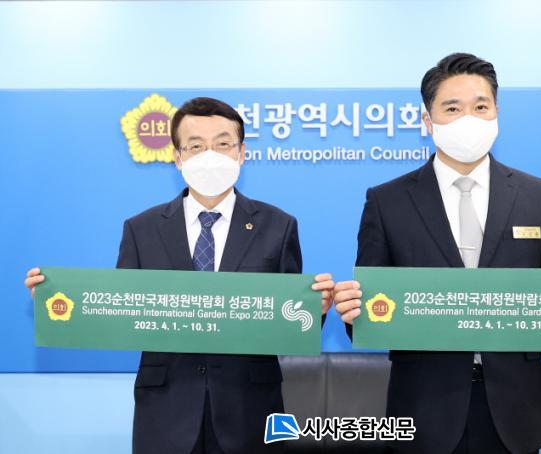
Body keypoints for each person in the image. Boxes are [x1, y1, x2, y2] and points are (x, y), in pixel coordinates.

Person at [332, 53, 541, 454]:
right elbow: (371, 310)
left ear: (497, 114)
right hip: (424, 409)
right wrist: (353, 312)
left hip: (515, 411)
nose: (469, 119)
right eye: (452, 108)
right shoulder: (387, 201)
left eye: (480, 107)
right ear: (427, 120)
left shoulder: (538, 196)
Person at [25, 97, 334, 454]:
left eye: (223, 144)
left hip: (249, 410)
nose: (210, 155)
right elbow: (118, 313)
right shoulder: (141, 229)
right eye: (196, 146)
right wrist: (59, 302)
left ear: (241, 153)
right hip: (166, 411)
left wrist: (316, 311)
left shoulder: (278, 226)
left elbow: (287, 326)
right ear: (177, 157)